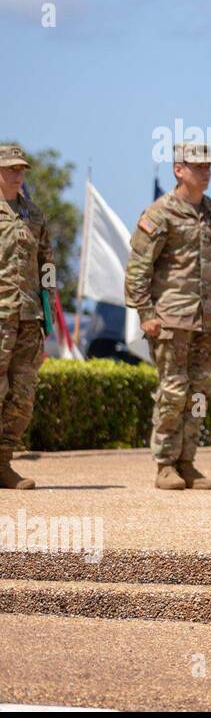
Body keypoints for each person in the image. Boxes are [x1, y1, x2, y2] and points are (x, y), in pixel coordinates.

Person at [125, 142, 211, 490]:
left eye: (208, 167)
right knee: (172, 391)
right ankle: (165, 464)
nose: (205, 172)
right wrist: (145, 313)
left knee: (199, 393)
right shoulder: (160, 214)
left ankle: (188, 461)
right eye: (197, 166)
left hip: (206, 321)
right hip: (170, 320)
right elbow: (139, 268)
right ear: (178, 170)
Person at [0, 145, 52, 490]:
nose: (18, 175)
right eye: (11, 169)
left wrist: (47, 318)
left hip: (29, 318)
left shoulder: (34, 215)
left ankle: (3, 463)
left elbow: (47, 268)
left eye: (21, 170)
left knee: (22, 394)